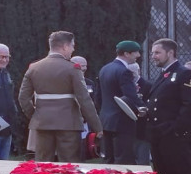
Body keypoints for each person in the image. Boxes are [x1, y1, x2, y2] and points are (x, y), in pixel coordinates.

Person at [19, 31, 102, 162]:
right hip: (69, 123)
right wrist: (97, 127)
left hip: (42, 122)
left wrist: (35, 115)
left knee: (43, 164)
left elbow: (23, 98)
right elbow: (84, 100)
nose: (73, 49)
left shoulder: (34, 68)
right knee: (69, 163)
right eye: (72, 45)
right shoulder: (73, 68)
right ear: (65, 46)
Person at [143, 38, 191, 174]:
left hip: (173, 137)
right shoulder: (164, 74)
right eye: (152, 52)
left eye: (157, 52)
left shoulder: (183, 74)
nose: (153, 56)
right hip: (159, 135)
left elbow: (188, 105)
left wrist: (176, 130)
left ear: (170, 53)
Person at [97, 40, 144, 164]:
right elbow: (130, 96)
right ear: (127, 54)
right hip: (122, 121)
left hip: (106, 120)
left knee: (109, 159)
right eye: (136, 52)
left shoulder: (105, 69)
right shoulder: (124, 71)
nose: (138, 55)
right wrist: (144, 108)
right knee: (124, 159)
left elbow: (99, 96)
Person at [70, 55, 98, 159]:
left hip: (84, 123)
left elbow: (93, 101)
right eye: (82, 66)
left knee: (82, 150)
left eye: (85, 66)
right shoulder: (65, 82)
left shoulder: (89, 83)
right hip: (69, 121)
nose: (84, 68)